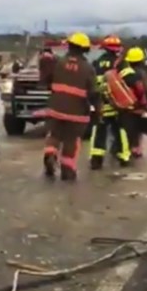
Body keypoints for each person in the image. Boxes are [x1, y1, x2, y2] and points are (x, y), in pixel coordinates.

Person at [42, 32, 96, 181]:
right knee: (72, 140)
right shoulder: (88, 68)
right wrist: (98, 112)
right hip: (77, 112)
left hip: (55, 109)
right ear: (85, 49)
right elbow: (94, 93)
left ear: (69, 46)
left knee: (54, 135)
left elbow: (48, 81)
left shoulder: (58, 63)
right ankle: (67, 170)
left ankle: (50, 153)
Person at [89, 35, 132, 169]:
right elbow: (130, 80)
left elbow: (92, 84)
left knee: (98, 130)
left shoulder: (96, 62)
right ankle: (124, 157)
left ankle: (96, 159)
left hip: (101, 103)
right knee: (120, 130)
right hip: (117, 105)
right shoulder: (120, 63)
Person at [123, 47, 147, 158]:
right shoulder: (142, 73)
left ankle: (128, 148)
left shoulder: (124, 72)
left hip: (126, 104)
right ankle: (137, 149)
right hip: (140, 104)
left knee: (128, 128)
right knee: (139, 127)